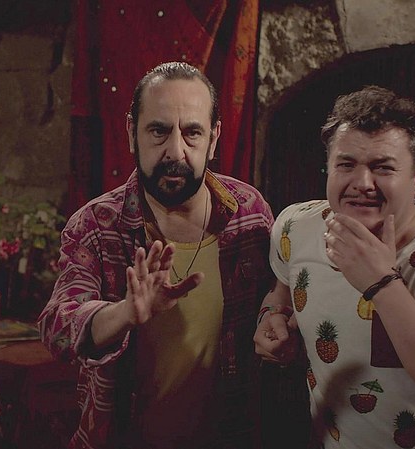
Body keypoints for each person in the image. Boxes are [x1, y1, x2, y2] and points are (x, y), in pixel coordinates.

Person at [38, 61, 274, 449]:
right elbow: (57, 328)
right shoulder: (96, 224)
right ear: (132, 133)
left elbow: (275, 306)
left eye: (192, 132)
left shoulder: (249, 212)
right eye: (159, 131)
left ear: (214, 138)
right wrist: (124, 314)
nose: (175, 151)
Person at [254, 86, 415, 448]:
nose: (362, 183)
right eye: (346, 165)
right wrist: (272, 316)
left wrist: (381, 283)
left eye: (382, 167)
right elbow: (281, 294)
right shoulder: (295, 227)